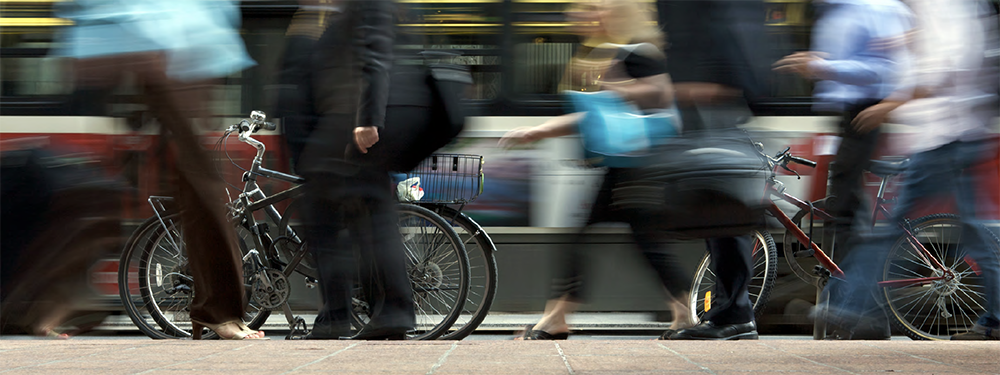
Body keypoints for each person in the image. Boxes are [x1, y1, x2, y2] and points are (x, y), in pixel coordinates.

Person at [51, 0, 263, 340]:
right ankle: (217, 312)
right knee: (198, 187)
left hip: (157, 43)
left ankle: (60, 304)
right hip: (164, 45)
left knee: (169, 186)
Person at [500, 0, 699, 340]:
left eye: (595, 9)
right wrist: (539, 131)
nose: (584, 16)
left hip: (638, 165)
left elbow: (660, 93)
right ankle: (680, 314)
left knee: (625, 241)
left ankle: (559, 318)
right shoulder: (618, 52)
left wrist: (616, 85)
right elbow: (600, 115)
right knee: (637, 240)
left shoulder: (637, 52)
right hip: (625, 164)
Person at [841, 0, 1000, 341]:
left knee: (890, 229)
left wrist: (888, 105)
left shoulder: (941, 7)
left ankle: (849, 304)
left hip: (947, 139)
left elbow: (943, 70)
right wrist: (907, 40)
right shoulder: (937, 10)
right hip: (952, 137)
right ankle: (996, 320)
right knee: (974, 234)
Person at [772, 0, 913, 340]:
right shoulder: (833, 11)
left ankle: (862, 312)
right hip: (847, 118)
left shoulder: (871, 8)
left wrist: (824, 67)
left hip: (864, 114)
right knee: (845, 211)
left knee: (848, 213)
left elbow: (884, 70)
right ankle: (857, 310)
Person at [282, 0, 417, 340]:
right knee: (352, 222)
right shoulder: (343, 14)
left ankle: (364, 313)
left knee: (343, 222)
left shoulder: (368, 7)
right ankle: (362, 313)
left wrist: (369, 119)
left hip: (348, 129)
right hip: (340, 129)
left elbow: (375, 57)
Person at [651, 0, 774, 341]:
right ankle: (729, 312)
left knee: (724, 208)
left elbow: (731, 27)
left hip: (710, 99)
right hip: (700, 97)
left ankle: (733, 314)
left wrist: (718, 86)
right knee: (716, 211)